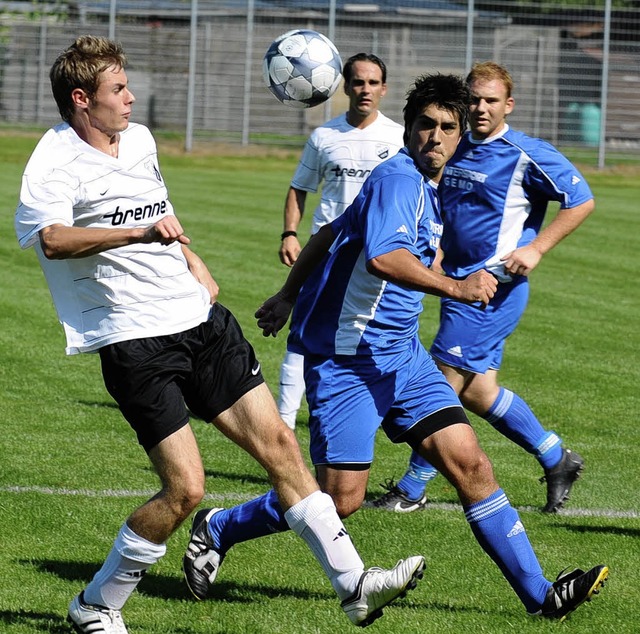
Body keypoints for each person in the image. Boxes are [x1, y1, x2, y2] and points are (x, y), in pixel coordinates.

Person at [15, 36, 426, 633]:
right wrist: (134, 237)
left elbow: (159, 210)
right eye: (118, 90)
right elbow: (52, 238)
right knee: (185, 491)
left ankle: (354, 586)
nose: (131, 98)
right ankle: (96, 606)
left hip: (200, 322)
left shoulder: (141, 140)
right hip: (134, 341)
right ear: (82, 100)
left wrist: (192, 260)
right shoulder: (52, 162)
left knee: (282, 448)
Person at [182, 73, 608, 621]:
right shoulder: (399, 181)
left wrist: (289, 294)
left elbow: (330, 232)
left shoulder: (427, 187)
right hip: (349, 359)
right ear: (407, 130)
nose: (435, 136)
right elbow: (384, 258)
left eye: (447, 127)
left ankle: (541, 596)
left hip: (402, 357)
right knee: (339, 501)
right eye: (425, 125)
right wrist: (456, 285)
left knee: (472, 465)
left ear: (460, 138)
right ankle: (220, 526)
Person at [368, 61, 595, 515]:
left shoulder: (525, 152)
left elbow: (581, 199)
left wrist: (537, 249)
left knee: (441, 383)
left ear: (508, 105)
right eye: (474, 99)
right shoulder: (456, 145)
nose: (480, 108)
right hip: (457, 285)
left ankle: (412, 489)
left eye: (491, 100)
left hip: (494, 288)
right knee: (477, 392)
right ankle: (556, 457)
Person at [277, 52, 404, 429]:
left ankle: (360, 413)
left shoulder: (398, 137)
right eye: (358, 82)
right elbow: (299, 188)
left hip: (378, 255)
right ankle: (282, 425)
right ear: (345, 86)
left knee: (371, 339)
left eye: (372, 83)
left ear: (384, 89)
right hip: (327, 251)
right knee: (303, 335)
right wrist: (289, 233)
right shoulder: (324, 136)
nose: (365, 90)